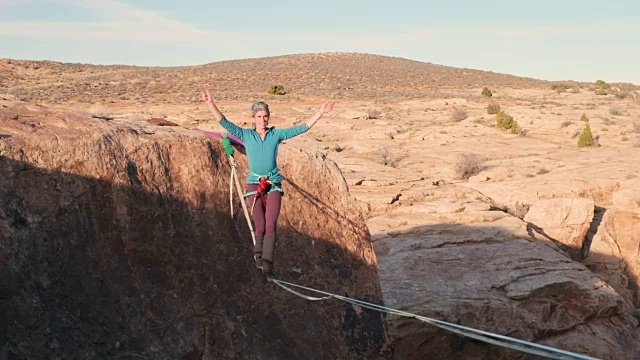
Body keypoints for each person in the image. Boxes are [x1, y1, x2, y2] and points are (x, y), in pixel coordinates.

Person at [202, 88, 335, 276]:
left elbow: (302, 127)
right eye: (259, 116)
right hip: (253, 184)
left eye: (265, 116)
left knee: (271, 224)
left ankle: (268, 264)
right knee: (261, 225)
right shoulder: (246, 135)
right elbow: (224, 122)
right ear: (253, 118)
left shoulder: (276, 135)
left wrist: (320, 112)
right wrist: (210, 103)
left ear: (269, 118)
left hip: (273, 183)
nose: (262, 120)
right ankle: (258, 257)